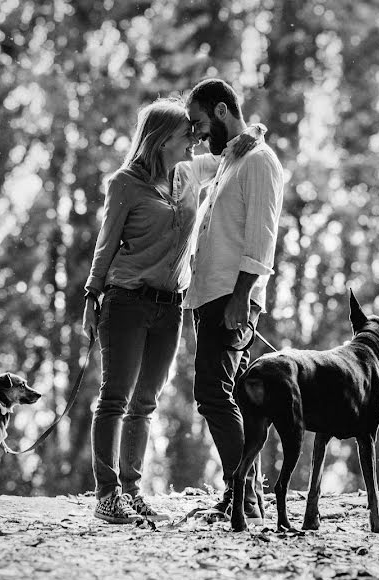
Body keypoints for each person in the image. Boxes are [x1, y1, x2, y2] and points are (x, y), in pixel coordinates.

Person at [82, 98, 265, 524]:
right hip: (125, 301)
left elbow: (230, 155)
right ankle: (107, 495)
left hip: (170, 308)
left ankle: (131, 490)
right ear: (163, 139)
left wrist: (253, 132)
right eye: (188, 135)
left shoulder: (187, 173)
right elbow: (105, 245)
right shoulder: (125, 183)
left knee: (145, 403)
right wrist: (92, 296)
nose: (196, 141)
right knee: (114, 399)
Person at [184, 79, 285, 525]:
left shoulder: (260, 163)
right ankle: (250, 496)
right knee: (240, 400)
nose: (199, 134)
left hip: (232, 296)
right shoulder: (231, 159)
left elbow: (262, 241)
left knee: (211, 393)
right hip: (210, 294)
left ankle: (240, 493)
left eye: (202, 124)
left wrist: (241, 297)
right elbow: (187, 163)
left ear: (223, 111)